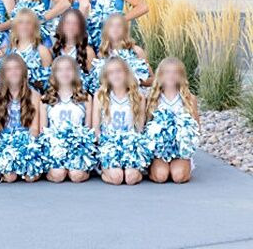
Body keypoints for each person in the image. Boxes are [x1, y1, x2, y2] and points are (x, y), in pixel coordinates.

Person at [92, 57, 150, 186]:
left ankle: (138, 170)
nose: (115, 75)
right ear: (106, 76)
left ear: (126, 73)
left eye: (119, 71)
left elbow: (140, 129)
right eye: (111, 72)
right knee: (117, 178)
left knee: (130, 178)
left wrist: (136, 148)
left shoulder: (138, 96)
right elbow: (96, 129)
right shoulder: (100, 95)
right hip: (109, 145)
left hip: (130, 145)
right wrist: (103, 148)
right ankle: (103, 170)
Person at [39, 56, 96, 183]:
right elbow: (43, 132)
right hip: (55, 148)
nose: (64, 73)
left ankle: (81, 170)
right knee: (58, 175)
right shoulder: (45, 99)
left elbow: (88, 130)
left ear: (75, 72)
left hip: (77, 148)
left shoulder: (85, 98)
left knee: (76, 176)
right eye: (60, 70)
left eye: (68, 69)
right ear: (54, 74)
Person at [0, 54, 41, 182]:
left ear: (23, 71)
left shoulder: (34, 95)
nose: (13, 72)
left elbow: (34, 129)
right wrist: (5, 147)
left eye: (17, 68)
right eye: (9, 69)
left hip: (27, 142)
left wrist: (24, 147)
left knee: (30, 177)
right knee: (10, 177)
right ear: (3, 74)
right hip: (3, 142)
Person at [146, 58, 199, 184]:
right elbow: (145, 126)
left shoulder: (189, 98)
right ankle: (154, 167)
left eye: (175, 72)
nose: (171, 76)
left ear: (182, 76)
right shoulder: (152, 98)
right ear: (160, 75)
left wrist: (185, 142)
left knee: (178, 177)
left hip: (180, 150)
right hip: (159, 151)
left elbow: (196, 127)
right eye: (167, 72)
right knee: (161, 176)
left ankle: (183, 166)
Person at [7, 8, 52, 92]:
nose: (24, 26)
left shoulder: (42, 50)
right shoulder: (10, 51)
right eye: (20, 22)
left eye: (28, 23)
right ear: (15, 26)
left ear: (35, 26)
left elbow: (48, 83)